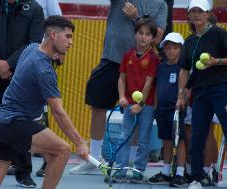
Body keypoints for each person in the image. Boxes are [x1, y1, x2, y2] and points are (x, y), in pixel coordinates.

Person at [0, 15, 89, 189]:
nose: (71, 42)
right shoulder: (44, 70)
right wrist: (79, 142)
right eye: (68, 36)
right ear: (53, 35)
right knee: (64, 150)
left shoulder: (31, 49)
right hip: (14, 123)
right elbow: (57, 111)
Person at [70, 0, 167, 175]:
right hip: (111, 58)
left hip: (141, 65)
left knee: (136, 113)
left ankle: (129, 164)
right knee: (98, 107)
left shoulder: (161, 4)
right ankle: (95, 158)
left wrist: (136, 18)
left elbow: (158, 38)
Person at [0, 0, 44, 187]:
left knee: (22, 125)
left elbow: (35, 42)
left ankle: (23, 172)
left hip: (21, 76)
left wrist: (10, 63)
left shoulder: (34, 9)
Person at [176, 0, 227, 188]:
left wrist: (217, 61)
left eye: (200, 11)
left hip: (222, 90)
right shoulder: (189, 42)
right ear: (188, 15)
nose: (196, 14)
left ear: (208, 14)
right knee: (197, 136)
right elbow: (184, 70)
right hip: (200, 94)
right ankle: (197, 178)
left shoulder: (219, 34)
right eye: (193, 11)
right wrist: (181, 94)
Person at [111, 18, 159, 183]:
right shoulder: (127, 55)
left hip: (147, 104)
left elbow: (149, 82)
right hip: (129, 102)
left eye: (147, 34)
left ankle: (138, 170)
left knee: (144, 137)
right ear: (135, 35)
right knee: (125, 135)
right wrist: (122, 96)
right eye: (140, 33)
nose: (143, 37)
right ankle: (121, 169)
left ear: (152, 38)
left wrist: (141, 103)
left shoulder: (153, 58)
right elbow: (121, 79)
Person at [147, 32, 187, 187]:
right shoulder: (161, 67)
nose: (171, 51)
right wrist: (157, 107)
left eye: (175, 48)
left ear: (181, 50)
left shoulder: (184, 68)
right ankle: (165, 172)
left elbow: (185, 89)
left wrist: (181, 101)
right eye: (168, 48)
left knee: (180, 141)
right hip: (162, 111)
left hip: (176, 111)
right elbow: (157, 89)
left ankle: (180, 174)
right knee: (167, 141)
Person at [34, 0, 62, 178]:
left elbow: (58, 21)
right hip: (17, 56)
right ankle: (14, 159)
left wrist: (58, 51)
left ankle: (48, 159)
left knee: (42, 109)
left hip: (43, 55)